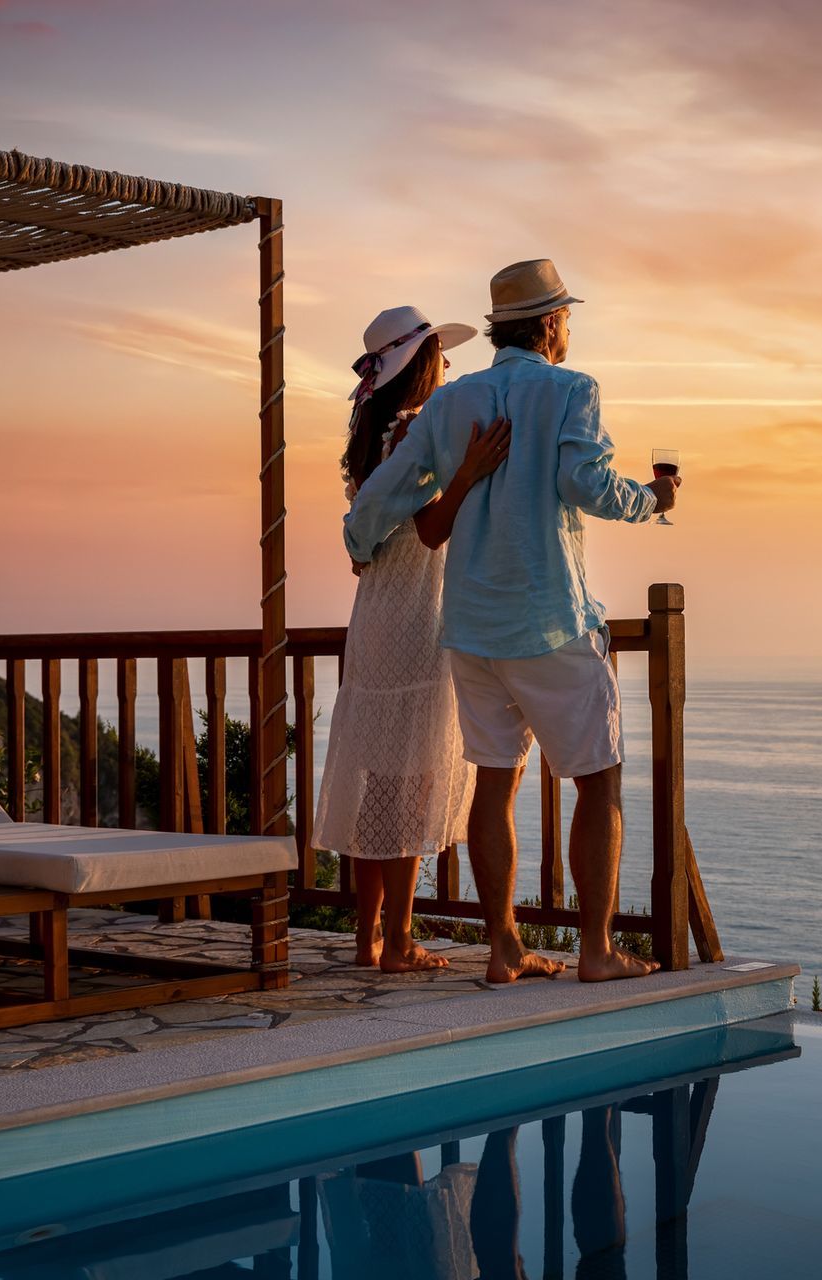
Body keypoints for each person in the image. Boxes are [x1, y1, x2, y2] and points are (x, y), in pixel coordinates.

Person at [344, 260, 678, 984]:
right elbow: (584, 484)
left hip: (470, 627)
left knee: (495, 782)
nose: (569, 331)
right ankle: (596, 950)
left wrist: (358, 543)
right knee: (598, 781)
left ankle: (503, 948)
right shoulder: (570, 391)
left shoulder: (451, 403)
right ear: (552, 323)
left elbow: (383, 495)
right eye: (567, 319)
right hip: (550, 617)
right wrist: (653, 499)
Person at [316, 305, 511, 972]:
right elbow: (429, 531)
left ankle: (369, 935)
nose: (449, 368)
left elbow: (366, 535)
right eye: (441, 357)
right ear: (422, 364)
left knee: (376, 777)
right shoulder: (416, 434)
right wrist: (468, 475)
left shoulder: (371, 431)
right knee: (410, 781)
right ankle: (398, 940)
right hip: (416, 613)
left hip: (374, 613)